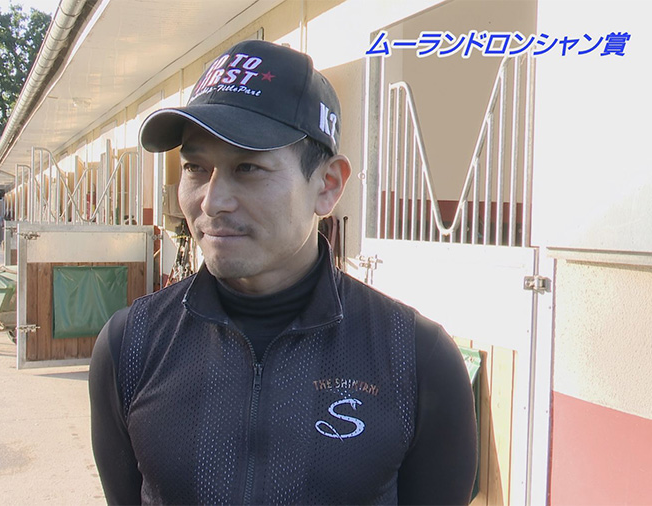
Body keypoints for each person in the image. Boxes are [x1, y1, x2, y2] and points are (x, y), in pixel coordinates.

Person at [88, 39, 477, 505]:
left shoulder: (417, 360)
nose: (212, 202)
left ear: (327, 185)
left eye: (248, 167)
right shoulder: (130, 347)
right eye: (195, 167)